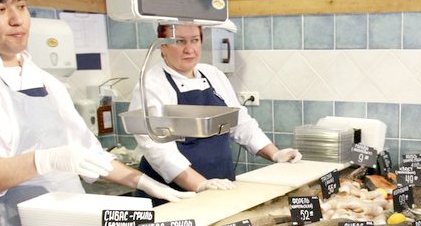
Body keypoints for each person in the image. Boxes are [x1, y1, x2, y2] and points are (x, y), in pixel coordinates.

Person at [0, 0, 195, 226]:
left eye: (21, 6)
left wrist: (144, 182)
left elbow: (88, 153)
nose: (16, 19)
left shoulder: (44, 79)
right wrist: (45, 160)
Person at [129, 24, 301, 204]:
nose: (189, 49)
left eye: (195, 40)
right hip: (173, 195)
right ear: (162, 46)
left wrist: (275, 154)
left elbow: (240, 123)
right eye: (180, 41)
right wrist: (201, 184)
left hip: (220, 184)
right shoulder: (151, 84)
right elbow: (158, 150)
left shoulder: (213, 74)